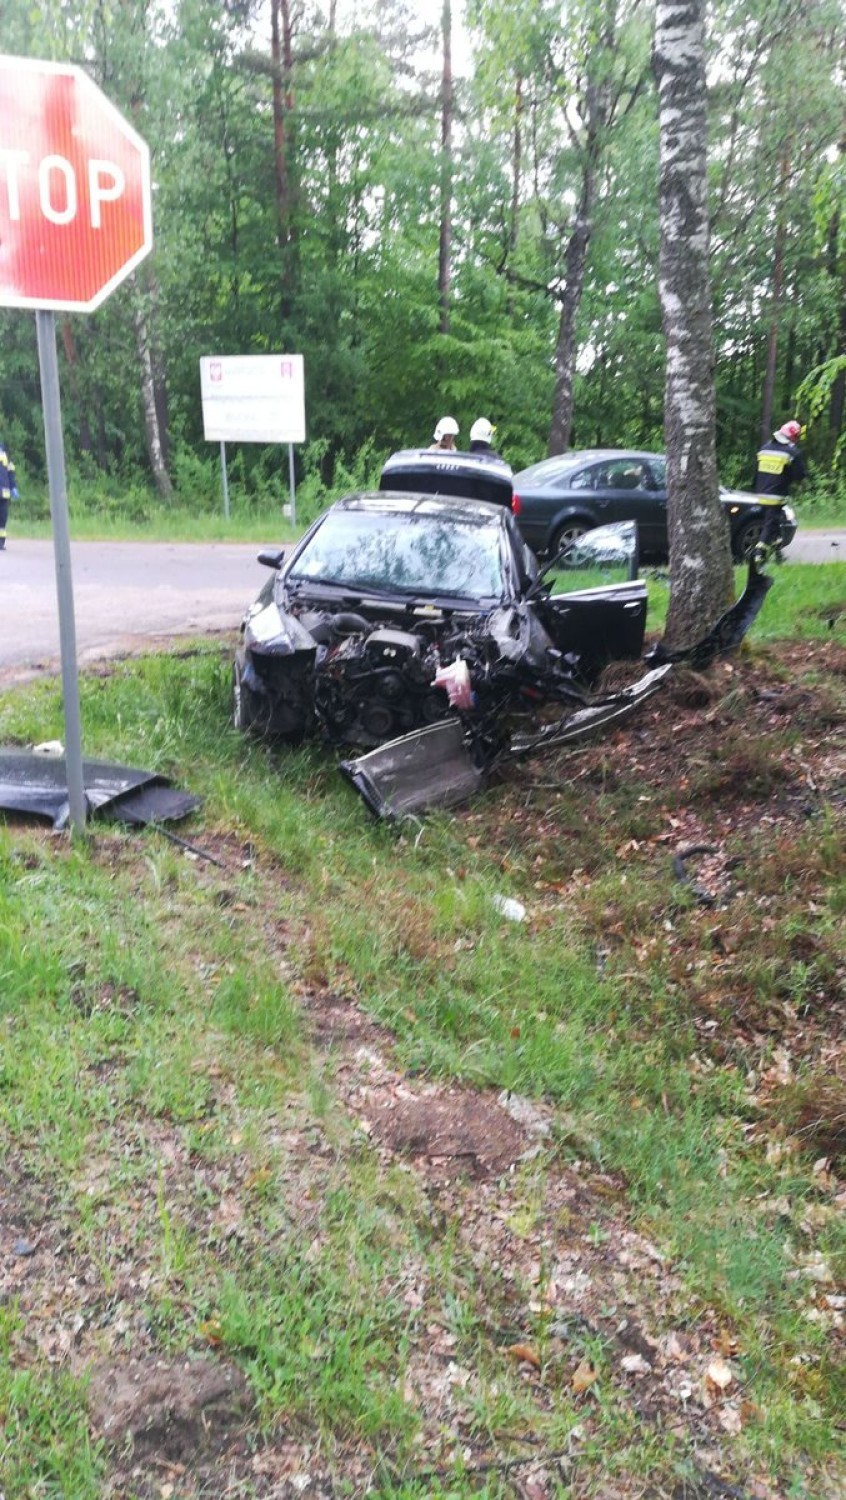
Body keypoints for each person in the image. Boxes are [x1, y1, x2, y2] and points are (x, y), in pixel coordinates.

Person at [752, 419, 806, 547]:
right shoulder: (792, 453)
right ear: (794, 437)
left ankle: (776, 545)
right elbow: (799, 475)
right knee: (770, 524)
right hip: (776, 496)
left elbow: (756, 472)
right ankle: (758, 552)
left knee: (774, 520)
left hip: (759, 493)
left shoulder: (764, 449)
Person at [0, 437, 19, 551]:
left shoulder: (6, 459)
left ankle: (1, 543)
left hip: (4, 495)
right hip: (4, 494)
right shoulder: (6, 458)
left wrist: (14, 488)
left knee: (2, 520)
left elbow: (11, 474)